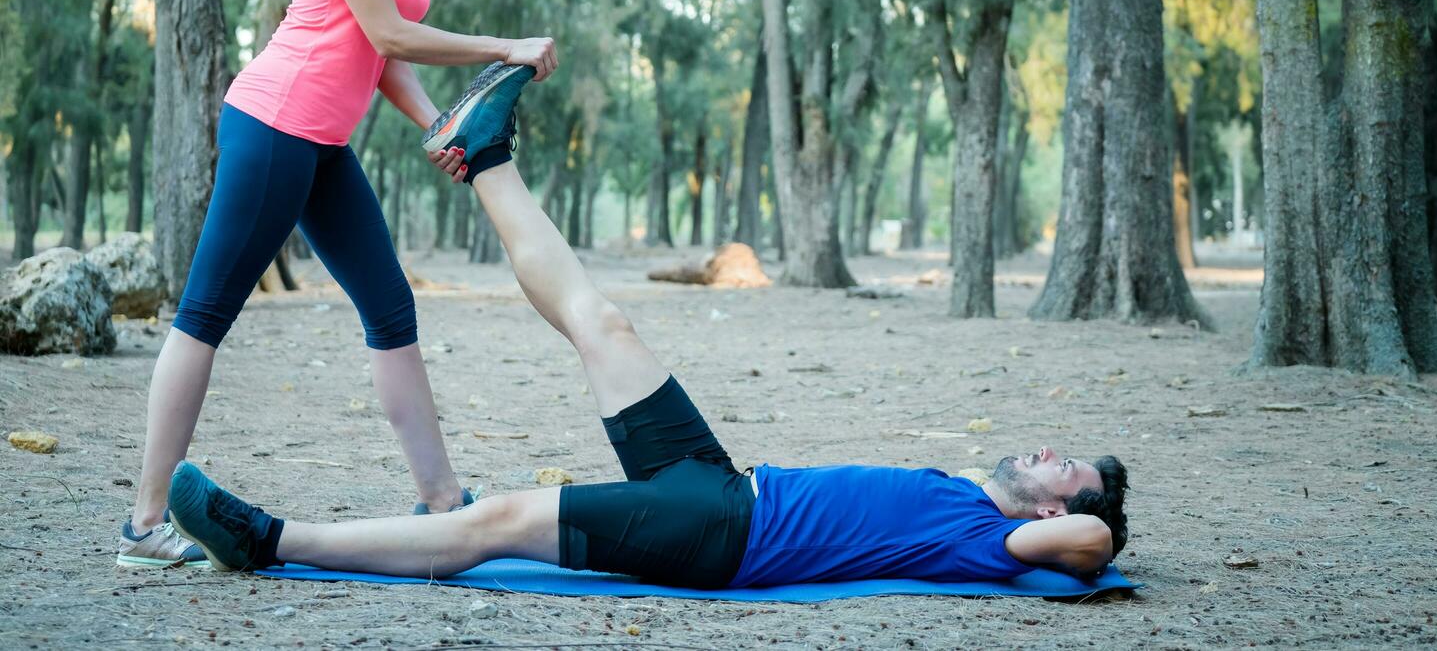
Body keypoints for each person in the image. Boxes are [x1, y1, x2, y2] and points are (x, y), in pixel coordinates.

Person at [166, 93, 1130, 588]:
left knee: (499, 520)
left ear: (1057, 506)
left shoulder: (1005, 540)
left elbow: (1091, 544)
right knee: (604, 322)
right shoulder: (967, 499)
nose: (1047, 453)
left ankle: (273, 541)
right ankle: (485, 153)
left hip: (719, 537)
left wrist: (1097, 516)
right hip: (725, 481)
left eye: (1065, 466)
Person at [118, 0, 558, 568]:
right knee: (207, 313)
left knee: (391, 309)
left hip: (323, 142)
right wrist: (505, 47)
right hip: (275, 122)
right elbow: (390, 32)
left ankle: (441, 503)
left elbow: (378, 52)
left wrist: (438, 124)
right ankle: (144, 524)